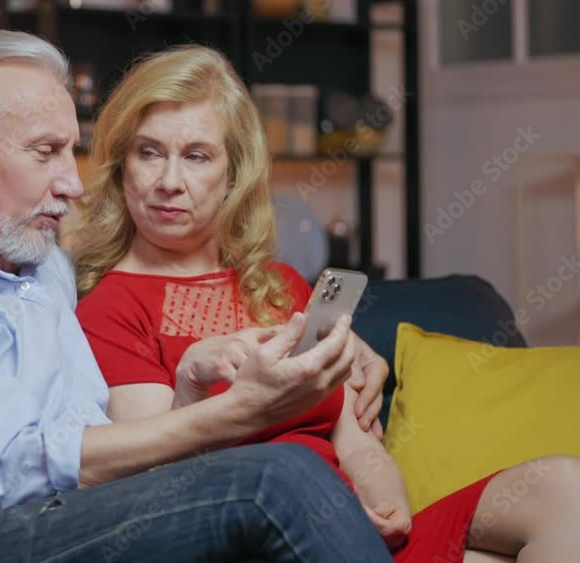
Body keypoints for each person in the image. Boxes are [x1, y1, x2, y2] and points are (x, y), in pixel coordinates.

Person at [0, 30, 395, 563]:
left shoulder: (43, 267)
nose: (73, 183)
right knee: (274, 478)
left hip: (77, 516)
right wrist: (235, 412)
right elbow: (19, 471)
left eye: (72, 150)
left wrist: (343, 345)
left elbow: (114, 423)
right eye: (45, 152)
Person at [72, 44, 580, 563]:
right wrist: (196, 386)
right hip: (252, 543)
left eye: (197, 156)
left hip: (353, 534)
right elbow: (157, 490)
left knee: (565, 490)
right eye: (148, 152)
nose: (169, 182)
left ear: (233, 175)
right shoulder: (108, 307)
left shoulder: (282, 286)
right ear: (121, 166)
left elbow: (357, 442)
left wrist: (387, 505)